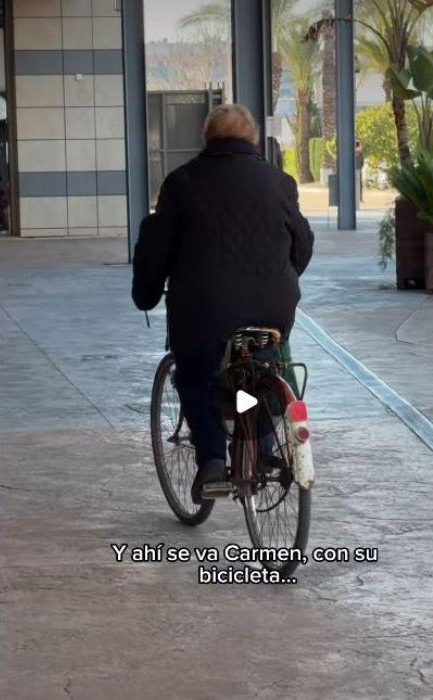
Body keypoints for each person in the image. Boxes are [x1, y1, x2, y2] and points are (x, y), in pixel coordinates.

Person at [131, 104, 315, 504]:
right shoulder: (279, 181)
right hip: (272, 306)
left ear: (207, 138)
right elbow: (302, 243)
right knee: (257, 367)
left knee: (196, 378)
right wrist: (281, 278)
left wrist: (146, 293)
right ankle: (263, 449)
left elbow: (156, 248)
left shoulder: (182, 183)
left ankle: (213, 460)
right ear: (251, 139)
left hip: (204, 309)